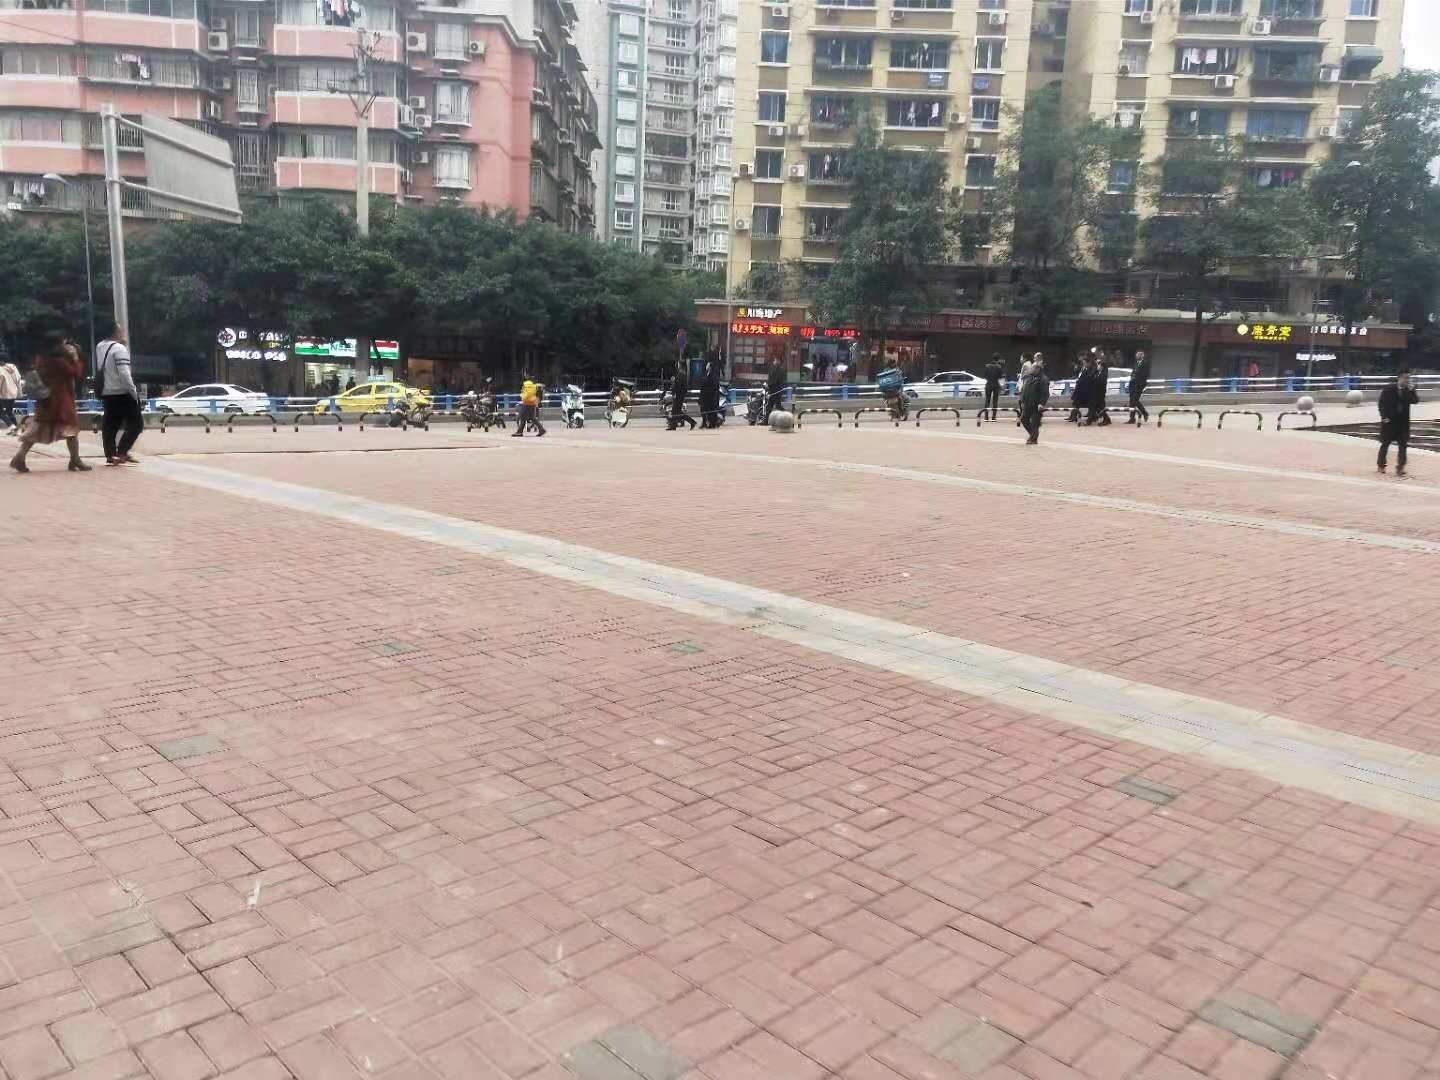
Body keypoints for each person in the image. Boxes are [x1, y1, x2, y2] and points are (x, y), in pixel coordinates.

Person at [9, 337, 91, 473]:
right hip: (61, 399)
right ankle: (75, 460)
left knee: (38, 429)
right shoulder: (59, 359)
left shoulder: (41, 357)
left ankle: (20, 457)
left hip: (46, 399)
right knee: (71, 429)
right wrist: (75, 358)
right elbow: (74, 372)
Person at [97, 323, 144, 466]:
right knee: (137, 424)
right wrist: (134, 392)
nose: (123, 332)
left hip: (107, 392)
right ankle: (122, 451)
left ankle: (111, 455)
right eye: (120, 330)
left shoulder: (100, 346)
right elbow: (124, 374)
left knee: (110, 425)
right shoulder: (119, 349)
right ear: (115, 333)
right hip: (122, 392)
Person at [1377, 371, 1419, 476]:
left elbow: (1415, 401)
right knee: (1385, 444)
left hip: (1403, 423)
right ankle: (1381, 465)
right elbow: (1381, 403)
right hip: (1389, 422)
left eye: (1408, 378)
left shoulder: (1408, 390)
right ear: (1399, 378)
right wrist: (1384, 417)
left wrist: (1412, 391)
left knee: (1403, 446)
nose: (1407, 380)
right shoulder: (1389, 389)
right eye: (1405, 378)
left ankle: (1400, 467)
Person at [1019, 358, 1049, 445]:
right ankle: (1032, 435)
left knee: (1035, 422)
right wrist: (1022, 400)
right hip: (1028, 403)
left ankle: (1033, 438)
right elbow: (1025, 390)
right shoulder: (1030, 377)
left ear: (1038, 369)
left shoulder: (1043, 379)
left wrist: (1042, 403)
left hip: (1036, 404)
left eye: (1032, 368)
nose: (1030, 369)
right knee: (1024, 419)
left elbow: (1045, 393)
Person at [512, 373, 545, 437]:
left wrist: (523, 398)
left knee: (523, 417)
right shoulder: (534, 385)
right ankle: (541, 429)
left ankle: (519, 432)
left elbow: (525, 393)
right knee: (532, 418)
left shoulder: (526, 384)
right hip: (533, 402)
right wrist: (537, 401)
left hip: (526, 402)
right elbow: (537, 394)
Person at [667, 360, 696, 431]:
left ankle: (674, 425)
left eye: (678, 364)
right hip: (679, 395)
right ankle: (674, 425)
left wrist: (674, 387)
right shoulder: (681, 373)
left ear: (680, 365)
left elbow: (679, 385)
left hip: (679, 395)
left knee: (675, 411)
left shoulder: (681, 374)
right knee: (677, 411)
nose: (677, 365)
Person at [1088, 350, 1112, 426]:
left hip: (1101, 392)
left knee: (1100, 407)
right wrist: (1096, 370)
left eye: (1099, 364)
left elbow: (1101, 381)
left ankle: (1106, 419)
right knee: (1095, 406)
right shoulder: (1097, 372)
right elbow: (1090, 377)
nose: (1097, 365)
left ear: (1102, 366)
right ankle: (1092, 419)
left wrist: (1095, 377)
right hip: (1095, 391)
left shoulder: (1104, 372)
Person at [1128, 350, 1151, 425]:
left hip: (1139, 385)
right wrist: (1132, 379)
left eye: (1138, 355)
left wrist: (1137, 378)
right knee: (1132, 401)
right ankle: (1132, 418)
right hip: (1133, 384)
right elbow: (1133, 373)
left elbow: (1145, 375)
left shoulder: (1145, 363)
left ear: (1142, 356)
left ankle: (1144, 413)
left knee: (1135, 400)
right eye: (1136, 355)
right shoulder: (1136, 363)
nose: (1137, 356)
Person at [698, 360, 722, 428]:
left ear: (710, 367)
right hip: (704, 395)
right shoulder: (705, 373)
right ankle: (704, 422)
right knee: (703, 409)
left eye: (708, 365)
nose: (706, 366)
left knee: (710, 410)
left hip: (710, 396)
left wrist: (705, 382)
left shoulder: (714, 375)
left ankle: (712, 423)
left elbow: (714, 385)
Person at [0, 356, 20, 434]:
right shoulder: (14, 367)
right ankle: (16, 430)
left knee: (1, 412)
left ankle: (11, 426)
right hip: (13, 392)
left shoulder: (0, 369)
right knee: (9, 411)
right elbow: (19, 378)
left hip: (4, 394)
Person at [981, 353, 1003, 422]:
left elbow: (984, 375)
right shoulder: (999, 367)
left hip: (988, 384)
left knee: (987, 400)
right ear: (998, 359)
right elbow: (1000, 376)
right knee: (995, 401)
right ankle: (993, 417)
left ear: (992, 358)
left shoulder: (987, 366)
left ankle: (986, 417)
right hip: (996, 385)